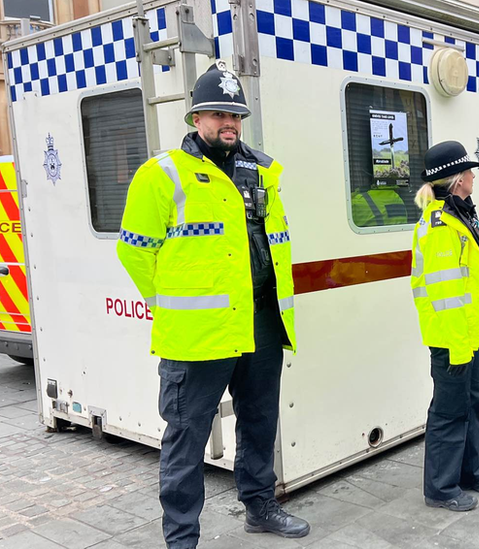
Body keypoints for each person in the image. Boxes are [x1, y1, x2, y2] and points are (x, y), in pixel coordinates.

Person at [117, 61, 308, 549]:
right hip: (197, 335)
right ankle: (182, 537)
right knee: (186, 435)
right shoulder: (162, 174)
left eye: (237, 115)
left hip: (261, 321)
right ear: (195, 117)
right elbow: (135, 250)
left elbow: (274, 242)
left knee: (260, 419)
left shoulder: (263, 171)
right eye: (219, 113)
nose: (230, 123)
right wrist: (174, 306)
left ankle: (259, 507)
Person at [410, 141, 479, 512]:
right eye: (468, 171)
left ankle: (470, 471)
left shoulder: (461, 216)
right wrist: (457, 345)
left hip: (469, 331)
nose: (472, 176)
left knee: (470, 405)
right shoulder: (440, 226)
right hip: (453, 337)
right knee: (449, 412)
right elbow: (444, 292)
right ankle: (441, 487)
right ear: (455, 180)